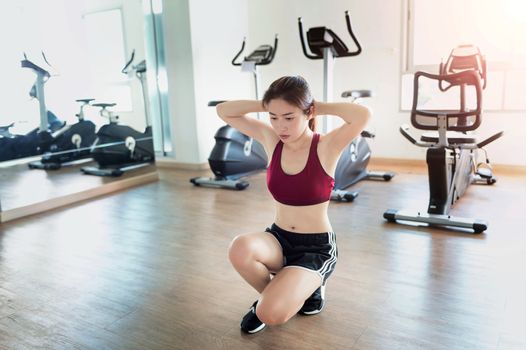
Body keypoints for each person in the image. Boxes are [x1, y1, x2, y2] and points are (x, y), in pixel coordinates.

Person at [217, 76, 370, 333]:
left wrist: (315, 105)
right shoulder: (272, 140)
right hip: (279, 238)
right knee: (240, 248)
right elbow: (224, 111)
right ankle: (276, 294)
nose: (280, 126)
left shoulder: (326, 145)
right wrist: (268, 104)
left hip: (316, 248)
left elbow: (362, 114)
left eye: (289, 117)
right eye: (273, 117)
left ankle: (306, 289)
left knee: (271, 314)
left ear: (308, 112)